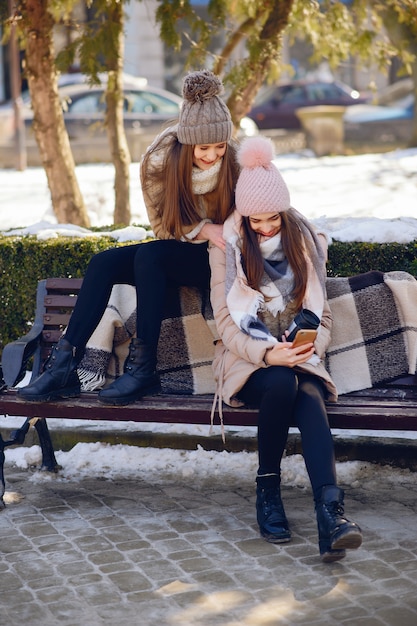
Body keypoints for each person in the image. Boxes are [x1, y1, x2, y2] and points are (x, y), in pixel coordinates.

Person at [18, 69, 239, 406]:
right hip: (181, 246)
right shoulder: (160, 163)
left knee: (150, 257)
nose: (211, 155)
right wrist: (202, 228)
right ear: (186, 142)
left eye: (219, 146)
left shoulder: (237, 164)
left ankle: (143, 369)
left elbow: (256, 220)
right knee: (104, 262)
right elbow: (163, 228)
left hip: (220, 258)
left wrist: (219, 231)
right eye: (203, 147)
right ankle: (63, 366)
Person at [209, 135, 363, 563]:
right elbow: (226, 323)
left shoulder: (305, 241)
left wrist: (307, 345)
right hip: (246, 358)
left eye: (272, 219)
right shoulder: (226, 246)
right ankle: (268, 490)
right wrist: (268, 353)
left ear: (284, 211)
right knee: (280, 382)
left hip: (299, 356)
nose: (263, 228)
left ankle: (331, 515)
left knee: (306, 389)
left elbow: (323, 316)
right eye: (254, 220)